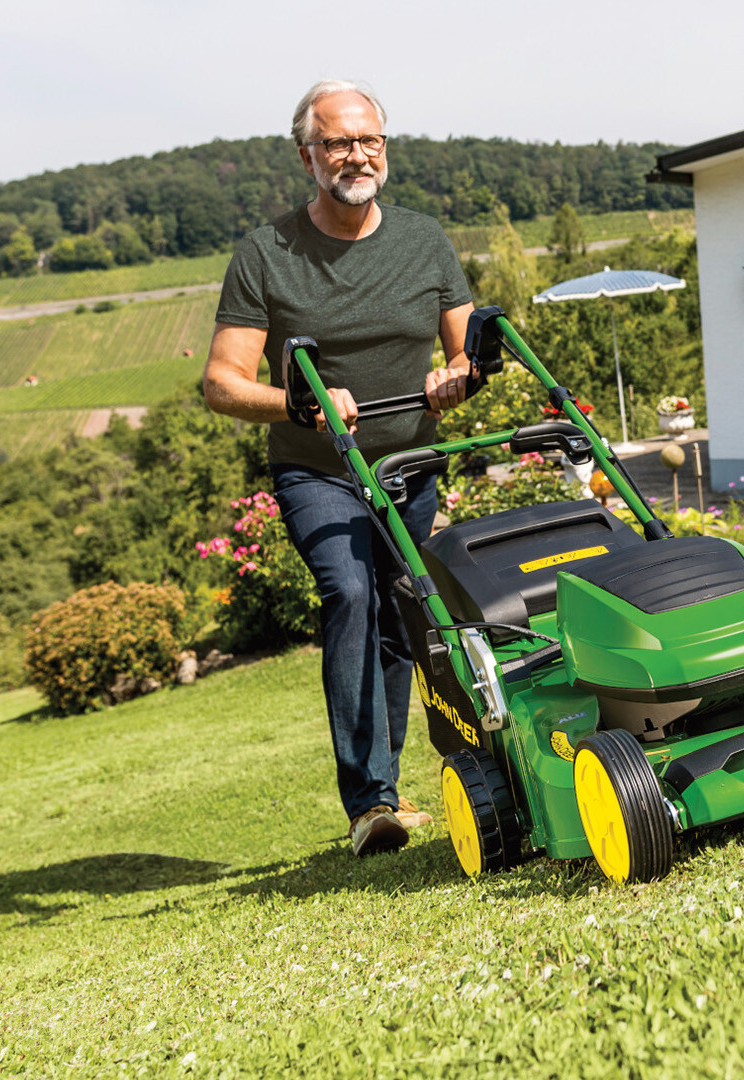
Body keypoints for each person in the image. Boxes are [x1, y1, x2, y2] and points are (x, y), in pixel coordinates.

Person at [203, 79, 476, 857]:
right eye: (337, 143)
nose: (356, 154)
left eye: (369, 141)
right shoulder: (266, 254)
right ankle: (367, 805)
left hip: (410, 468)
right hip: (318, 472)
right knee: (351, 593)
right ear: (307, 156)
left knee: (402, 614)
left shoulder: (424, 240)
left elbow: (467, 351)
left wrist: (456, 378)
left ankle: (392, 793)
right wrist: (302, 404)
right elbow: (221, 382)